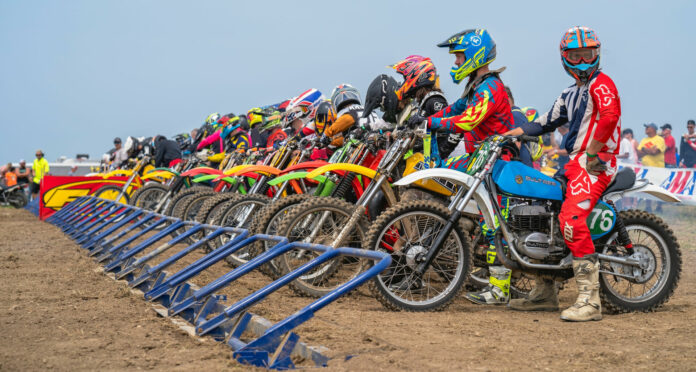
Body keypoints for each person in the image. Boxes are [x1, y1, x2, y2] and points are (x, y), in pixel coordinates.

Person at [505, 26, 621, 322]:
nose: (583, 61)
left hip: (596, 162)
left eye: (588, 55)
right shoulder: (570, 93)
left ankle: (590, 300)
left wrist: (593, 152)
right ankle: (546, 291)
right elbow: (541, 123)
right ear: (565, 58)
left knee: (570, 218)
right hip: (574, 163)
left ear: (597, 54)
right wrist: (503, 135)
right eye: (576, 56)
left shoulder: (602, 84)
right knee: (543, 214)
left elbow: (609, 117)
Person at [406, 29, 515, 306]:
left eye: (459, 57)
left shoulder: (491, 88)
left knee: (495, 226)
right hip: (480, 159)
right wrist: (425, 117)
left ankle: (500, 289)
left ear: (475, 55)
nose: (455, 63)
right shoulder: (476, 86)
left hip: (497, 164)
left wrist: (430, 123)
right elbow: (454, 109)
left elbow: (466, 120)